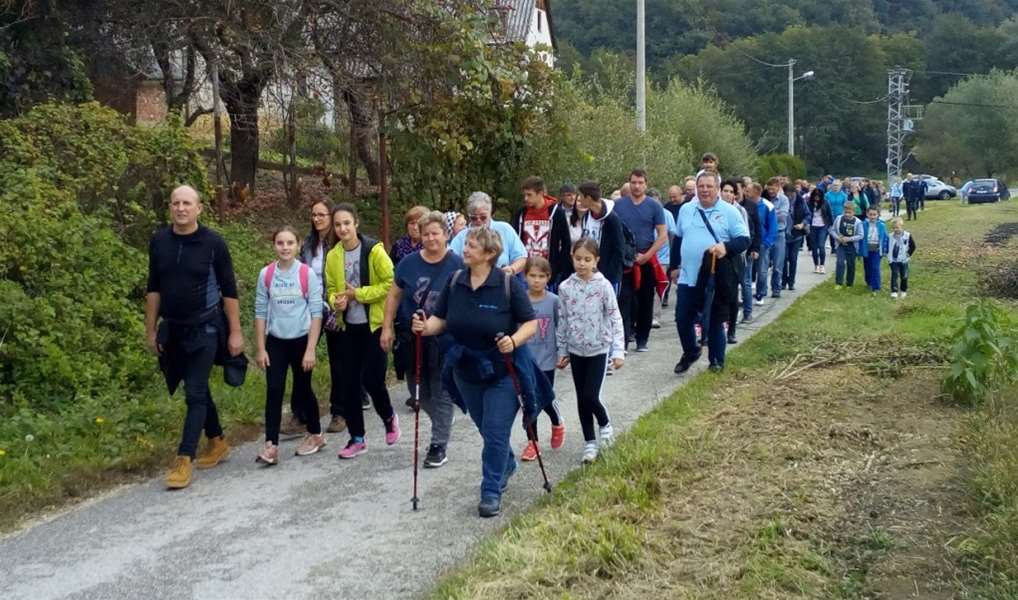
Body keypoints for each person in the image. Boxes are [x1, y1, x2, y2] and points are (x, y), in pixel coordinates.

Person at [411, 227, 545, 518]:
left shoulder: (506, 284)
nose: (465, 249)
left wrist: (513, 341)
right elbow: (441, 320)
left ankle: (490, 491)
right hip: (466, 371)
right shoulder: (455, 280)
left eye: (472, 246)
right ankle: (506, 463)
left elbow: (530, 323)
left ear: (489, 253)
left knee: (495, 432)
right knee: (486, 428)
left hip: (503, 372)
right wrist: (425, 327)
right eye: (467, 244)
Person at [145, 185, 244, 490]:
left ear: (199, 208)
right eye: (176, 203)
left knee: (195, 392)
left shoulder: (213, 243)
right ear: (170, 207)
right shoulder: (159, 241)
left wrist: (236, 332)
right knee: (195, 387)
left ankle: (183, 459)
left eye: (187, 203)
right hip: (174, 329)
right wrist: (150, 329)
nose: (181, 208)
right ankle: (217, 441)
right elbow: (153, 288)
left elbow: (229, 290)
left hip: (207, 327)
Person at [380, 211, 463, 468]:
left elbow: (464, 302)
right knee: (419, 392)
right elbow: (394, 295)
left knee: (441, 391)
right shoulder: (408, 263)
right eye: (426, 234)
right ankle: (442, 422)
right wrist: (386, 327)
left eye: (435, 233)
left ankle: (438, 444)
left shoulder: (458, 264)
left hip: (445, 338)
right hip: (412, 337)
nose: (430, 238)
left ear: (446, 235)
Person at [325, 203, 399, 459]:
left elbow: (391, 284)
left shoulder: (373, 250)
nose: (342, 229)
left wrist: (358, 294)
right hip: (348, 328)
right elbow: (331, 289)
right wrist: (337, 301)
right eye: (338, 225)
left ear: (356, 223)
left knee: (373, 380)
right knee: (349, 384)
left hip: (374, 325)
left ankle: (388, 417)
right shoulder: (333, 255)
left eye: (347, 223)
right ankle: (357, 438)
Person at [254, 227, 325, 465]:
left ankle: (315, 434)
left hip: (302, 340)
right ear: (273, 245)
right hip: (276, 341)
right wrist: (261, 348)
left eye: (290, 243)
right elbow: (260, 312)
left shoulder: (306, 273)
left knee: (303, 389)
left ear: (298, 245)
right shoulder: (266, 274)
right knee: (274, 390)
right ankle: (271, 445)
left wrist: (311, 349)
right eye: (280, 243)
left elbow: (316, 313)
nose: (285, 247)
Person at [669, 170, 750, 373]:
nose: (705, 190)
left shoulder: (730, 212)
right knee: (682, 318)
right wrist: (674, 266)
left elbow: (744, 240)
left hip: (714, 276)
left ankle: (716, 362)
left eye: (709, 186)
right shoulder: (686, 209)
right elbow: (678, 238)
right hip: (688, 275)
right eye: (701, 186)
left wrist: (725, 247)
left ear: (717, 189)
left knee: (714, 320)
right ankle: (691, 352)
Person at [555, 238, 625, 464]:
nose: (582, 264)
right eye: (578, 259)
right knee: (581, 399)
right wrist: (562, 350)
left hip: (599, 348)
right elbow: (563, 321)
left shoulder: (603, 286)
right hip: (576, 350)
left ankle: (605, 424)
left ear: (596, 260)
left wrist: (618, 351)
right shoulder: (565, 288)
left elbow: (615, 317)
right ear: (572, 258)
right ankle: (589, 442)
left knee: (591, 396)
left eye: (587, 259)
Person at [284, 199, 334, 435]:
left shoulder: (338, 243)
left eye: (322, 214)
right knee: (301, 359)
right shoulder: (307, 244)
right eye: (314, 214)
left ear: (331, 216)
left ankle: (340, 411)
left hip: (334, 307)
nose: (317, 219)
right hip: (309, 308)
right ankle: (300, 414)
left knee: (338, 360)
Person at [614, 169, 668, 352]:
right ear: (629, 183)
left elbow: (662, 235)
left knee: (645, 300)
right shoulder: (618, 205)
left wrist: (648, 255)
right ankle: (623, 340)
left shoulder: (654, 206)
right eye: (633, 182)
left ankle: (642, 339)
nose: (636, 186)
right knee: (624, 300)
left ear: (646, 184)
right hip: (625, 261)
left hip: (646, 259)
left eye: (640, 183)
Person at [519, 257, 565, 461]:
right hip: (525, 359)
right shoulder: (520, 299)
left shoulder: (554, 301)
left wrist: (563, 352)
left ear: (548, 277)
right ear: (525, 276)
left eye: (541, 276)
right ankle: (533, 442)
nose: (536, 280)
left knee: (544, 397)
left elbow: (561, 327)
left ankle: (557, 421)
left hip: (546, 359)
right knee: (529, 401)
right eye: (532, 276)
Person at [512, 176, 571, 287]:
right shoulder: (521, 214)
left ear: (540, 193)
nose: (525, 198)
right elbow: (515, 240)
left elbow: (566, 243)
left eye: (529, 195)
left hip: (548, 272)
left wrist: (560, 270)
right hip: (525, 272)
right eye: (524, 195)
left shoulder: (556, 213)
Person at [450, 192, 527, 274]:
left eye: (483, 217)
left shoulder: (505, 229)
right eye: (474, 218)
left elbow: (521, 257)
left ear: (490, 213)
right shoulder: (461, 237)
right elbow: (450, 262)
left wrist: (512, 269)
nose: (478, 221)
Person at [577, 181, 626, 290]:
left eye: (580, 196)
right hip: (590, 273)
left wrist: (608, 275)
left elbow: (619, 250)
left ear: (588, 198)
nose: (579, 199)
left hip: (608, 277)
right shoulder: (587, 216)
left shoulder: (612, 219)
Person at [721, 179, 750, 344]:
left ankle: (731, 330)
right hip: (716, 256)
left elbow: (745, 235)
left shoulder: (739, 211)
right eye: (725, 191)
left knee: (732, 295)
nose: (728, 194)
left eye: (731, 192)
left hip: (734, 257)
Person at [739, 181, 762, 323]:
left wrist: (755, 248)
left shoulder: (751, 206)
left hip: (747, 249)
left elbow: (757, 229)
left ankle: (747, 312)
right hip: (731, 250)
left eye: (736, 191)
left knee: (746, 281)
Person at [782, 182, 811, 291]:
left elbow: (808, 215)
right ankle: (783, 281)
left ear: (795, 193)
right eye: (787, 194)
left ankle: (791, 282)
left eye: (791, 194)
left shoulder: (801, 201)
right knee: (784, 259)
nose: (789, 197)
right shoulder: (782, 201)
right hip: (784, 234)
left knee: (793, 259)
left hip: (797, 234)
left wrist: (803, 224)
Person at [751, 182, 776, 305]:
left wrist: (767, 242)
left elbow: (773, 226)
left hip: (762, 243)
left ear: (756, 192)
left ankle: (760, 293)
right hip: (749, 242)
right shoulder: (746, 204)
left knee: (762, 271)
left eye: (748, 190)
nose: (745, 192)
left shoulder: (768, 206)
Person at [765, 177, 789, 299]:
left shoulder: (784, 199)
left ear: (778, 187)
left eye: (773, 189)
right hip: (766, 233)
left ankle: (776, 288)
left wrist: (768, 215)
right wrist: (775, 213)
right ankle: (762, 290)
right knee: (763, 265)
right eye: (769, 189)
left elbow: (783, 217)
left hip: (779, 233)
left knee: (778, 264)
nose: (770, 192)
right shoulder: (765, 198)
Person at [832, 200, 864, 289]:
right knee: (840, 262)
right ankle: (838, 282)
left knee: (851, 264)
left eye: (849, 213)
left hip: (852, 246)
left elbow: (861, 235)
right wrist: (838, 238)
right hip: (840, 245)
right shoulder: (838, 218)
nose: (847, 214)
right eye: (845, 212)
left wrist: (849, 239)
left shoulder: (858, 222)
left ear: (854, 212)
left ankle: (849, 283)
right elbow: (832, 230)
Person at [859, 206, 889, 295]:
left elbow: (886, 238)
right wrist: (859, 251)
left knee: (875, 267)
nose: (872, 216)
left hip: (877, 250)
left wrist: (885, 249)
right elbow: (860, 238)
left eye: (874, 214)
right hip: (866, 249)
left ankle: (876, 287)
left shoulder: (882, 225)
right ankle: (869, 282)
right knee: (867, 267)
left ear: (878, 215)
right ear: (867, 214)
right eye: (870, 214)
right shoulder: (863, 224)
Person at [887, 217, 916, 298]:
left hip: (904, 260)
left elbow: (913, 246)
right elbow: (888, 247)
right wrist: (889, 257)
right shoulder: (890, 236)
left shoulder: (907, 235)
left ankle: (903, 290)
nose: (895, 229)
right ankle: (894, 291)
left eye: (897, 227)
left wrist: (908, 254)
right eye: (893, 228)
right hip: (894, 260)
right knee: (894, 275)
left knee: (904, 275)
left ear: (901, 226)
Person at [806, 188, 833, 273]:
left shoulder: (825, 203)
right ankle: (816, 265)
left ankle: (822, 265)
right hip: (812, 226)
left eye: (818, 196)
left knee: (821, 245)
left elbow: (830, 214)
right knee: (814, 247)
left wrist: (831, 225)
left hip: (823, 226)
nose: (817, 197)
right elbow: (806, 214)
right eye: (815, 195)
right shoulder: (809, 203)